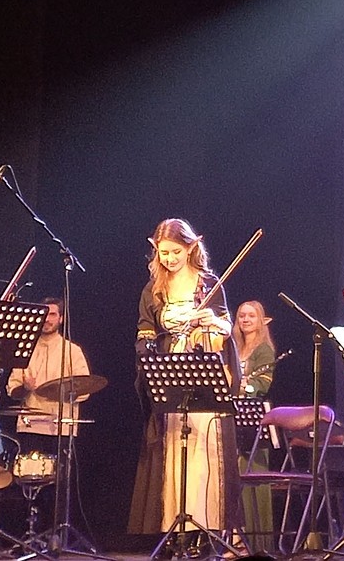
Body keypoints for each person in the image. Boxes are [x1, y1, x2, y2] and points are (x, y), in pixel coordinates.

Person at [128, 219, 242, 539]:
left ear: (191, 247)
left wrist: (211, 320)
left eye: (176, 251)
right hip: (170, 372)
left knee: (203, 449)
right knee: (174, 447)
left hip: (203, 370)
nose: (169, 258)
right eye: (163, 252)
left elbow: (227, 329)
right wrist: (149, 358)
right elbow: (145, 331)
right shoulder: (153, 288)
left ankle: (207, 528)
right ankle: (174, 528)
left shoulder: (209, 283)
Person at [7, 296, 92, 454]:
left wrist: (64, 391)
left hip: (61, 426)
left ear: (61, 318)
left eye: (52, 314)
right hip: (30, 426)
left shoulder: (73, 351)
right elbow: (13, 390)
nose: (47, 319)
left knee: (59, 470)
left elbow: (85, 389)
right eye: (44, 314)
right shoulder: (25, 349)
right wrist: (25, 388)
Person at [233, 300, 275, 551]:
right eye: (241, 316)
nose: (246, 320)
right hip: (233, 417)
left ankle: (259, 545)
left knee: (253, 481)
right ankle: (236, 540)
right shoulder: (233, 347)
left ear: (261, 321)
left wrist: (245, 386)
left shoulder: (264, 350)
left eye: (251, 316)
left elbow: (262, 385)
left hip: (254, 422)